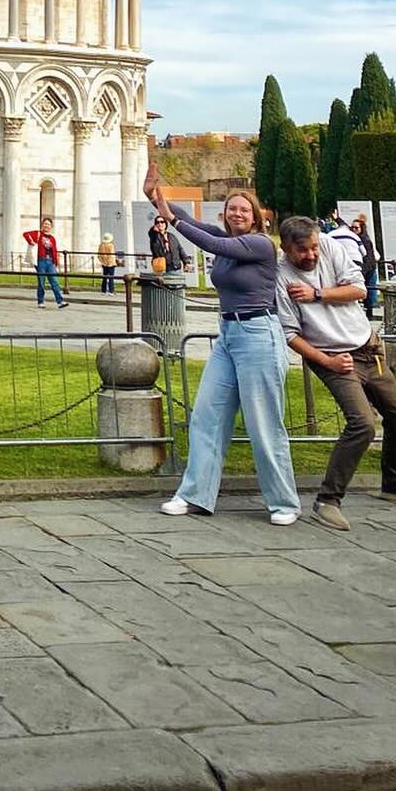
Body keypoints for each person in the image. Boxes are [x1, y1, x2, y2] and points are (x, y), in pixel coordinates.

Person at [148, 173, 301, 526]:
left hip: (259, 334)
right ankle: (194, 494)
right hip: (229, 335)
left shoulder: (261, 245)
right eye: (231, 208)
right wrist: (156, 199)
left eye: (244, 210)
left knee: (263, 422)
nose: (236, 214)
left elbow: (211, 245)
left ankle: (284, 502)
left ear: (256, 216)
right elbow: (188, 222)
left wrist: (170, 220)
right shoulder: (223, 235)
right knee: (207, 416)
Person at [275, 214, 396, 531]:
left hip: (367, 347)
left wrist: (318, 294)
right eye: (302, 251)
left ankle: (394, 483)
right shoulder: (281, 276)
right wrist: (329, 362)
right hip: (332, 357)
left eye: (313, 248)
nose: (310, 256)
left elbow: (359, 290)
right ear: (287, 249)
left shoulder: (331, 247)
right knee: (362, 424)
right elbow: (290, 335)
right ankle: (327, 500)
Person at [23, 219, 70, 309]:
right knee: (41, 282)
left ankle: (60, 301)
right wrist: (31, 241)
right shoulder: (38, 234)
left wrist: (56, 261)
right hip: (41, 260)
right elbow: (25, 234)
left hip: (50, 261)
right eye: (45, 224)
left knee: (54, 281)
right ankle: (40, 301)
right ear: (42, 225)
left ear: (51, 227)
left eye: (48, 224)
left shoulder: (52, 238)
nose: (46, 226)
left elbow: (55, 250)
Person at [148, 213, 189, 277]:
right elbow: (151, 234)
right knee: (163, 286)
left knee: (176, 285)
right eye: (157, 222)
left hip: (175, 267)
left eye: (162, 222)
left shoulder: (172, 236)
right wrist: (153, 230)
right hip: (161, 268)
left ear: (165, 224)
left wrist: (186, 262)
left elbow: (180, 249)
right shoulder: (154, 236)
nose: (160, 224)